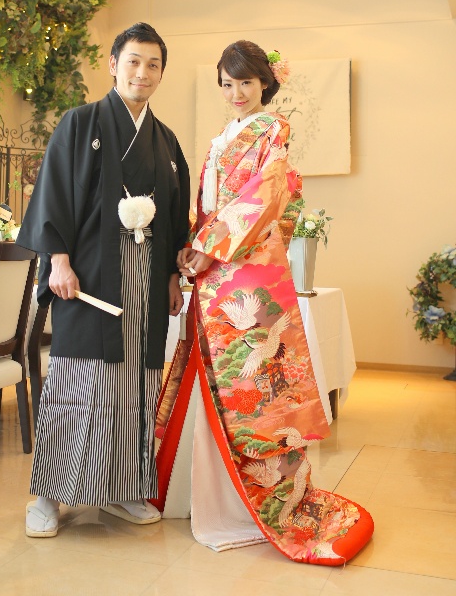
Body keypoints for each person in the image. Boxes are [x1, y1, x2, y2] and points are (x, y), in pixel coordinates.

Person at [154, 41, 373, 564]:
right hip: (217, 269)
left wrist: (210, 248)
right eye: (226, 84)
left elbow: (268, 196)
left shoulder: (272, 129)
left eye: (245, 83)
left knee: (253, 387)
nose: (236, 93)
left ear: (265, 84)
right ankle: (201, 492)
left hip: (244, 274)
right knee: (215, 377)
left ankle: (250, 500)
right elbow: (211, 204)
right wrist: (191, 246)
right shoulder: (223, 136)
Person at [16, 22, 190, 538]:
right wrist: (58, 261)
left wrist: (172, 276)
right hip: (89, 276)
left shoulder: (165, 140)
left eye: (153, 64)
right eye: (133, 61)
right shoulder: (80, 122)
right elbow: (54, 194)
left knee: (135, 386)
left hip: (145, 281)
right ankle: (48, 496)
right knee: (78, 383)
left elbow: (174, 214)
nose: (143, 72)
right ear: (113, 65)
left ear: (161, 73)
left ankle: (121, 488)